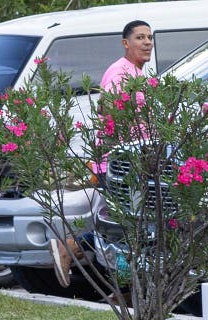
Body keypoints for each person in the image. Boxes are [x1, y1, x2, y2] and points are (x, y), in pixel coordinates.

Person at [48, 19, 154, 288]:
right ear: (125, 43)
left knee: (127, 224)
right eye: (140, 37)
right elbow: (110, 116)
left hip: (136, 162)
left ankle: (124, 283)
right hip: (121, 163)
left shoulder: (140, 73)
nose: (147, 42)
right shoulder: (119, 73)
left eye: (149, 37)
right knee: (122, 225)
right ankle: (71, 247)